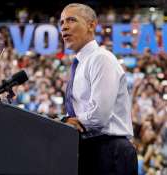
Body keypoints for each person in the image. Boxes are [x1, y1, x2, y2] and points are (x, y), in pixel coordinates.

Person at [60, 3, 138, 175]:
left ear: (91, 25)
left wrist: (65, 123)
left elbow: (99, 116)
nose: (64, 26)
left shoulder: (101, 59)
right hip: (89, 149)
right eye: (62, 22)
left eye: (71, 20)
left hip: (109, 151)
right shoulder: (80, 64)